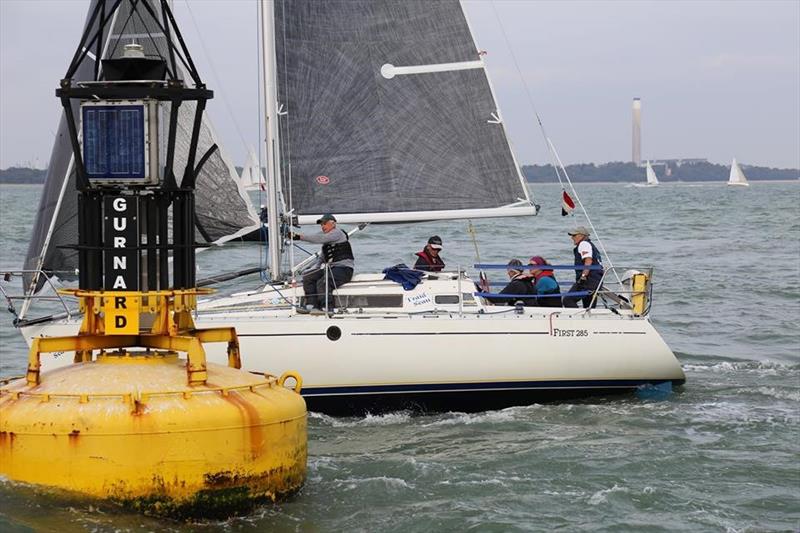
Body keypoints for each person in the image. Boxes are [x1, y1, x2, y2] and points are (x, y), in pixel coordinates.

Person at [292, 214, 354, 312]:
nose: (322, 226)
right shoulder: (327, 242)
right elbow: (322, 258)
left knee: (323, 281)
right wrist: (316, 269)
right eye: (321, 225)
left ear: (333, 224)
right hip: (332, 269)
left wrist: (299, 237)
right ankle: (311, 306)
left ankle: (327, 307)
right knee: (308, 277)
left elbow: (319, 238)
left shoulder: (337, 233)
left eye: (324, 224)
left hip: (344, 269)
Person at [562, 226, 604, 308]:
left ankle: (576, 319)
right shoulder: (591, 245)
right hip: (596, 280)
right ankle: (588, 320)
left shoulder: (584, 244)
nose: (572, 238)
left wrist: (583, 276)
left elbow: (588, 260)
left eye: (574, 235)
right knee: (589, 307)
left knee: (568, 300)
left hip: (588, 280)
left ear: (581, 236)